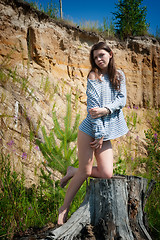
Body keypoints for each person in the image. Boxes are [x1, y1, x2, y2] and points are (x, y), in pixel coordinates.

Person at [58, 41, 129, 225]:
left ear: (110, 54)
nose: (98, 59)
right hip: (91, 129)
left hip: (106, 133)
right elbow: (92, 109)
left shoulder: (119, 75)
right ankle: (63, 208)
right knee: (85, 171)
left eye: (101, 55)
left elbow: (121, 100)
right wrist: (98, 134)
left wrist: (106, 110)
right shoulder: (93, 76)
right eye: (95, 57)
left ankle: (72, 170)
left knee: (106, 173)